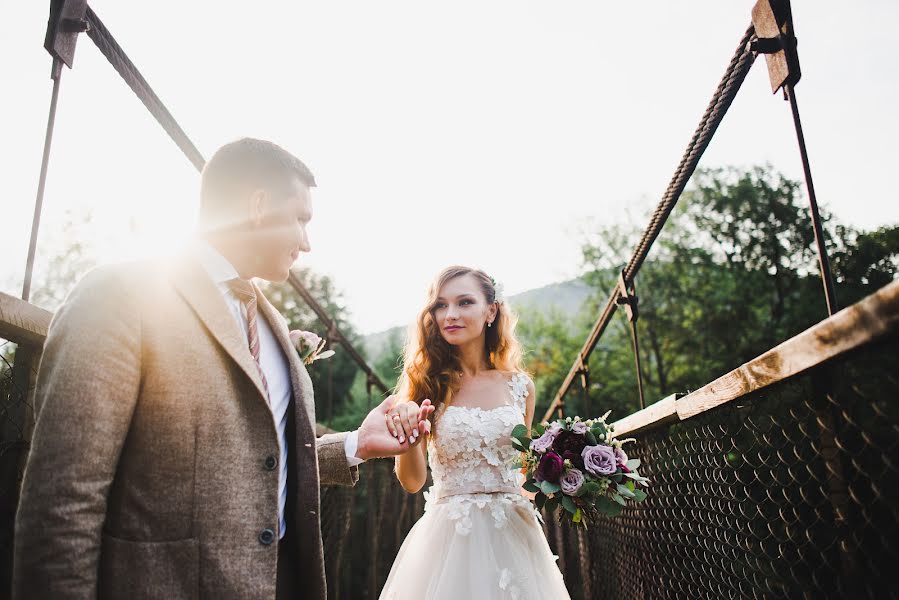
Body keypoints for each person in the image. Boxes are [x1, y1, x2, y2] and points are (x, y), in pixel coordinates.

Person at [13, 138, 432, 599]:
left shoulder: (272, 328)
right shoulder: (120, 296)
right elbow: (63, 504)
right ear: (257, 206)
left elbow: (254, 460)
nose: (307, 242)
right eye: (300, 219)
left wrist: (355, 444)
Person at [379, 266, 570, 599]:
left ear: (491, 311)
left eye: (465, 302)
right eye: (440, 305)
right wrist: (409, 440)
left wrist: (566, 476)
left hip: (514, 534)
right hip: (450, 538)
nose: (450, 314)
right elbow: (411, 482)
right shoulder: (424, 385)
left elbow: (523, 471)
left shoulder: (521, 386)